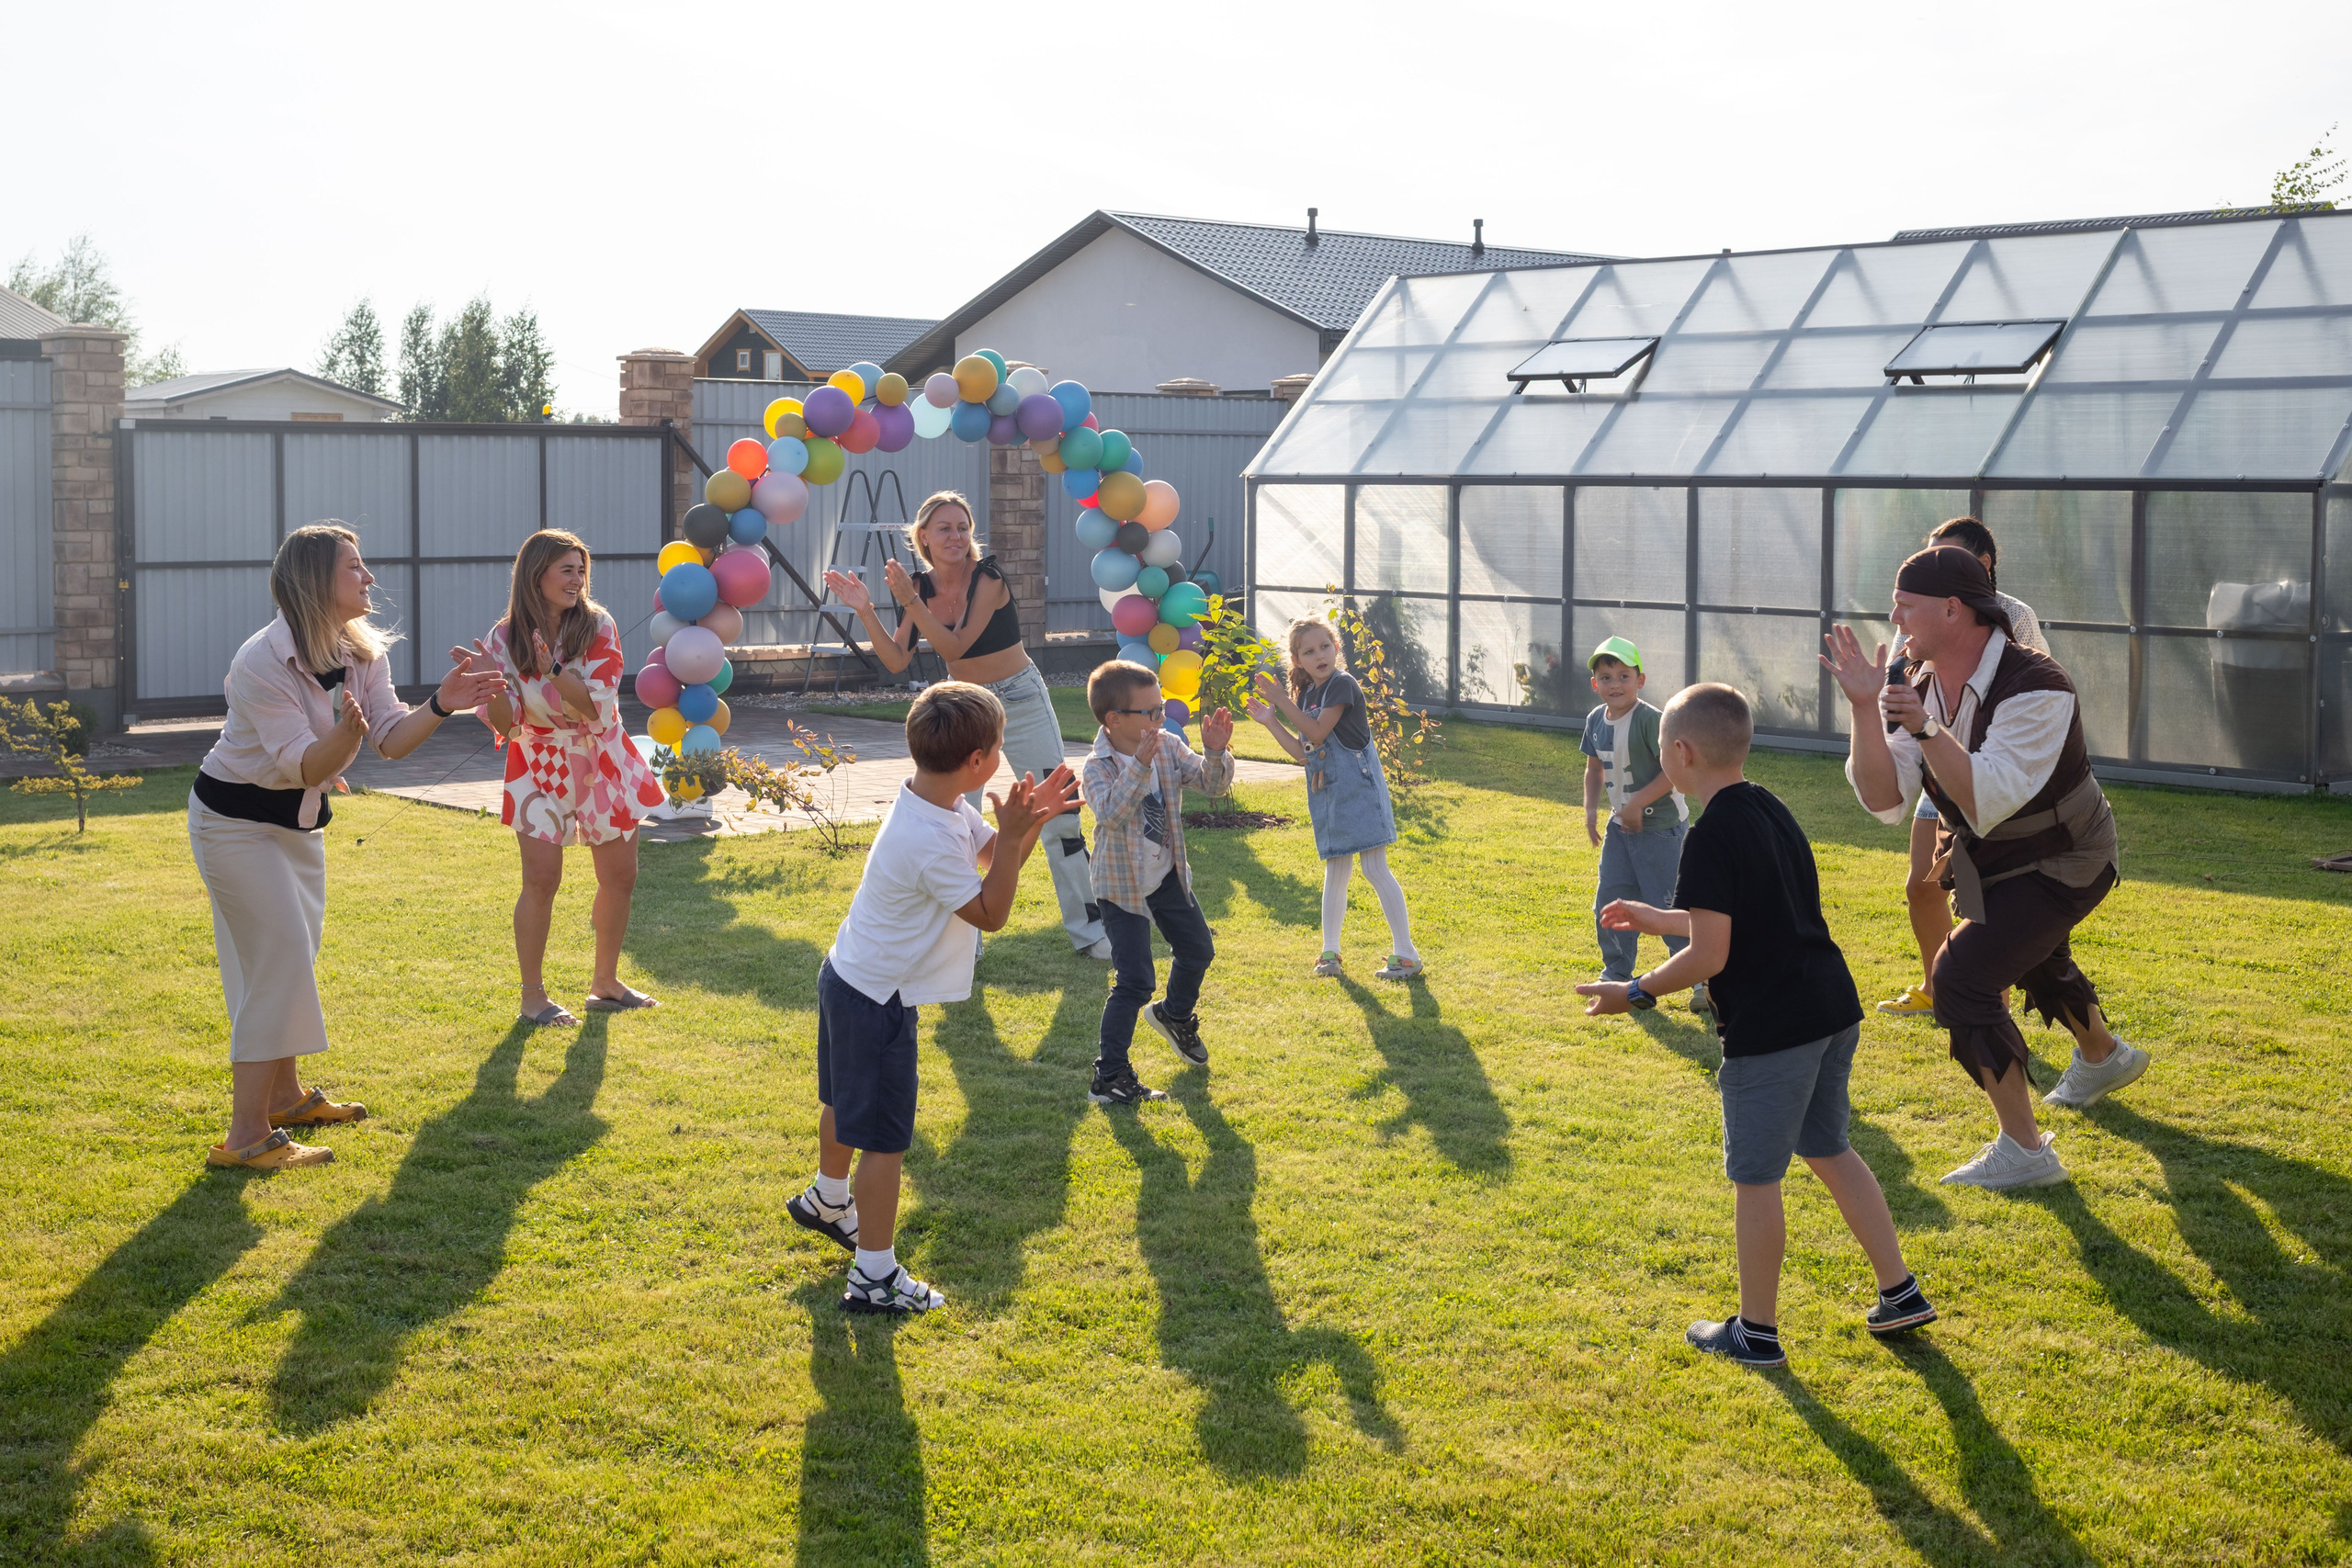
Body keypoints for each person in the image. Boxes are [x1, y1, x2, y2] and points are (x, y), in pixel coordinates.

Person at [1577, 683, 1935, 1368]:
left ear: (1679, 754)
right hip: (1830, 1007)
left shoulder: (1709, 832)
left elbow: (1712, 953)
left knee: (1756, 1175)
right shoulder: (1767, 806)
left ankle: (1756, 1331)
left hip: (1774, 1027)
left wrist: (1636, 990)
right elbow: (1743, 912)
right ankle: (1901, 1292)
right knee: (1830, 1147)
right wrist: (1659, 919)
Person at [1825, 546, 2149, 1192]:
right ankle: (2105, 1056)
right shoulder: (1915, 682)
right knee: (2030, 953)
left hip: (2068, 856)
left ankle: (2025, 1150)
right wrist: (1867, 709)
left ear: (1953, 609)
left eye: (1906, 603)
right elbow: (1886, 801)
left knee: (1964, 976)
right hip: (1997, 859)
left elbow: (1989, 796)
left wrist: (1923, 730)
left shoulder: (2040, 685)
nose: (1893, 615)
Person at [191, 523, 506, 1170]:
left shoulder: (362, 651)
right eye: (354, 568)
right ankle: (246, 1135)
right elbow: (307, 764)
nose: (368, 578)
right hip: (233, 824)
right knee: (277, 958)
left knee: (291, 956)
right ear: (315, 581)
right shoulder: (261, 660)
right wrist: (345, 735)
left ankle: (287, 1098)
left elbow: (390, 737)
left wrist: (442, 704)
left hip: (299, 826)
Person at [783, 682, 1077, 1314]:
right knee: (885, 1140)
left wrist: (1030, 821)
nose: (1001, 754)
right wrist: (1018, 828)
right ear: (978, 760)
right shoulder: (929, 840)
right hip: (875, 1000)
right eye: (998, 745)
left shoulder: (932, 802)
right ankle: (874, 1277)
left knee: (840, 1099)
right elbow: (991, 909)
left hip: (848, 975)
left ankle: (829, 1197)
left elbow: (994, 854)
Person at [823, 491, 1108, 959]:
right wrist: (866, 610)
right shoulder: (917, 587)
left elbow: (956, 648)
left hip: (1020, 696)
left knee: (1057, 809)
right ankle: (965, 945)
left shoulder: (988, 578)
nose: (955, 536)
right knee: (958, 823)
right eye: (944, 528)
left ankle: (1091, 930)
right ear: (924, 538)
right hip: (966, 706)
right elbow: (896, 660)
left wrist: (912, 601)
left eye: (962, 527)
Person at [481, 529, 667, 1027]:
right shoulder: (503, 638)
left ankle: (605, 984)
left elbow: (595, 704)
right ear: (535, 573)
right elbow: (505, 723)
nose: (577, 579)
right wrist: (491, 686)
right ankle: (532, 997)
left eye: (581, 570)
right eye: (567, 569)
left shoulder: (598, 625)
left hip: (600, 756)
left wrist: (553, 669)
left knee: (621, 875)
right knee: (542, 880)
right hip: (537, 759)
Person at [1881, 517, 2048, 1019]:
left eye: (1947, 557)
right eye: (1929, 557)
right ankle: (1938, 988)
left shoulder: (2014, 614)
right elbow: (1901, 674)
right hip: (1936, 761)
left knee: (1983, 896)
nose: (1934, 568)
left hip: (1988, 769)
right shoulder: (1918, 612)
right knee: (1920, 885)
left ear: (1983, 565)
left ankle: (1986, 1001)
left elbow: (2035, 686)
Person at [1081, 659, 1237, 1106]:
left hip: (1166, 875)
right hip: (1121, 885)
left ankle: (1174, 1015)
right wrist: (1139, 768)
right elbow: (1110, 813)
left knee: (1198, 950)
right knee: (1134, 980)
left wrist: (1213, 752)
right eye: (1150, 712)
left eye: (1162, 708)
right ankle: (1109, 1077)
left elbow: (1212, 786)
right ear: (1114, 720)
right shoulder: (1098, 765)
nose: (1160, 719)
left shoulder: (1167, 745)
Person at [1246, 617, 1422, 981]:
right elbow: (1303, 751)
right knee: (1336, 871)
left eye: (1325, 646)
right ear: (1297, 661)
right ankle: (1330, 953)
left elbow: (1318, 729)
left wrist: (1280, 701)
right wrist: (1270, 720)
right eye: (1309, 651)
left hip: (1359, 789)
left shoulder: (1342, 685)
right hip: (1328, 792)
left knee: (1375, 868)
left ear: (1336, 648)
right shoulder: (1307, 695)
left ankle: (1407, 954)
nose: (1319, 655)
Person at [1577, 636, 1703, 1011]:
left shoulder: (1652, 720)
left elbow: (1674, 771)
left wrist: (1637, 803)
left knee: (1668, 905)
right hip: (1620, 829)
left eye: (1623, 676)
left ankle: (1700, 978)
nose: (1615, 684)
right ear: (1594, 683)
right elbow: (1593, 768)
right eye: (1606, 676)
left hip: (1662, 831)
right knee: (1611, 899)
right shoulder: (1595, 721)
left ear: (1640, 680)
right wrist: (1590, 811)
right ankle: (1615, 973)